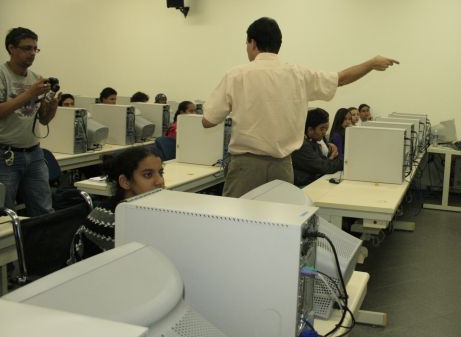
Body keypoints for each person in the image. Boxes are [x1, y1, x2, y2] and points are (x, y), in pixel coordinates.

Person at [202, 16, 399, 197]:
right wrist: (371, 63)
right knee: (280, 222)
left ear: (252, 43)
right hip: (283, 168)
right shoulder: (298, 75)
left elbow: (208, 121)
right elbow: (341, 79)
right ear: (278, 45)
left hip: (245, 168)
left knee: (238, 221)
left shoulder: (236, 75)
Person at [69, 146, 165, 262]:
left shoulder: (147, 208)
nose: (160, 181)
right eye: (148, 175)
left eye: (161, 173)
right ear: (125, 182)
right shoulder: (109, 221)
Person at [0, 27, 57, 216]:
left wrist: (52, 106)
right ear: (11, 48)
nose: (32, 53)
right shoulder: (2, 74)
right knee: (5, 214)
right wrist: (30, 93)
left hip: (34, 153)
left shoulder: (35, 79)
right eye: (27, 48)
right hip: (5, 155)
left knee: (44, 210)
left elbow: (43, 120)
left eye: (35, 49)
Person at [292, 108, 342, 187]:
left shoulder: (312, 141)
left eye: (326, 129)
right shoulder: (302, 145)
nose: (324, 132)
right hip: (303, 186)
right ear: (310, 130)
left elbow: (324, 162)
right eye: (322, 129)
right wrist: (345, 161)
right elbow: (324, 167)